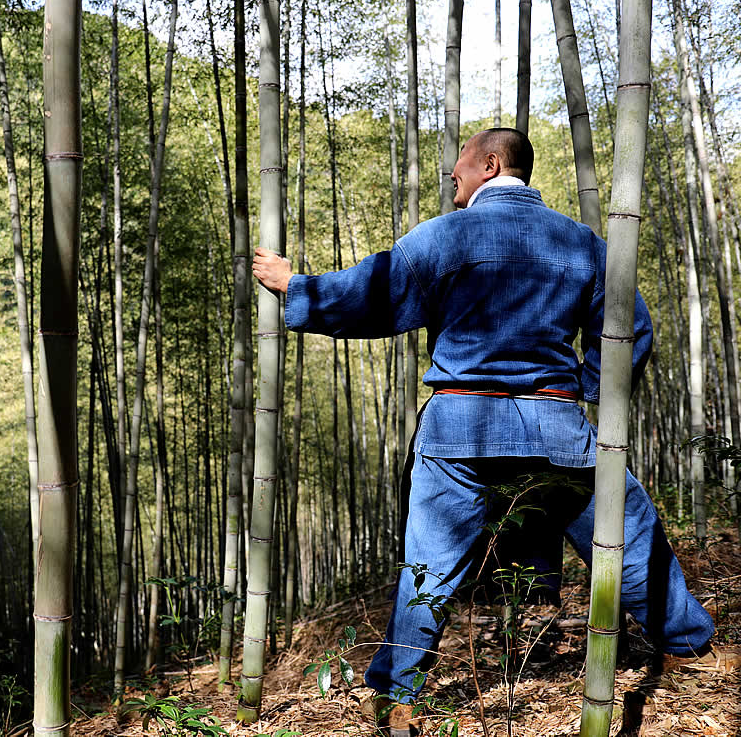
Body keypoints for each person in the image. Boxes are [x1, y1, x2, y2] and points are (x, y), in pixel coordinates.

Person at [252, 128, 727, 735]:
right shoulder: (582, 243)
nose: (452, 174)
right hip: (556, 431)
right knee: (628, 538)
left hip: (459, 430)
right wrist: (579, 390)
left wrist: (296, 285)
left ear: (491, 164)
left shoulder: (442, 239)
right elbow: (631, 328)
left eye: (460, 165)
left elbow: (368, 296)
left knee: (429, 567)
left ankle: (398, 697)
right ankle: (692, 648)